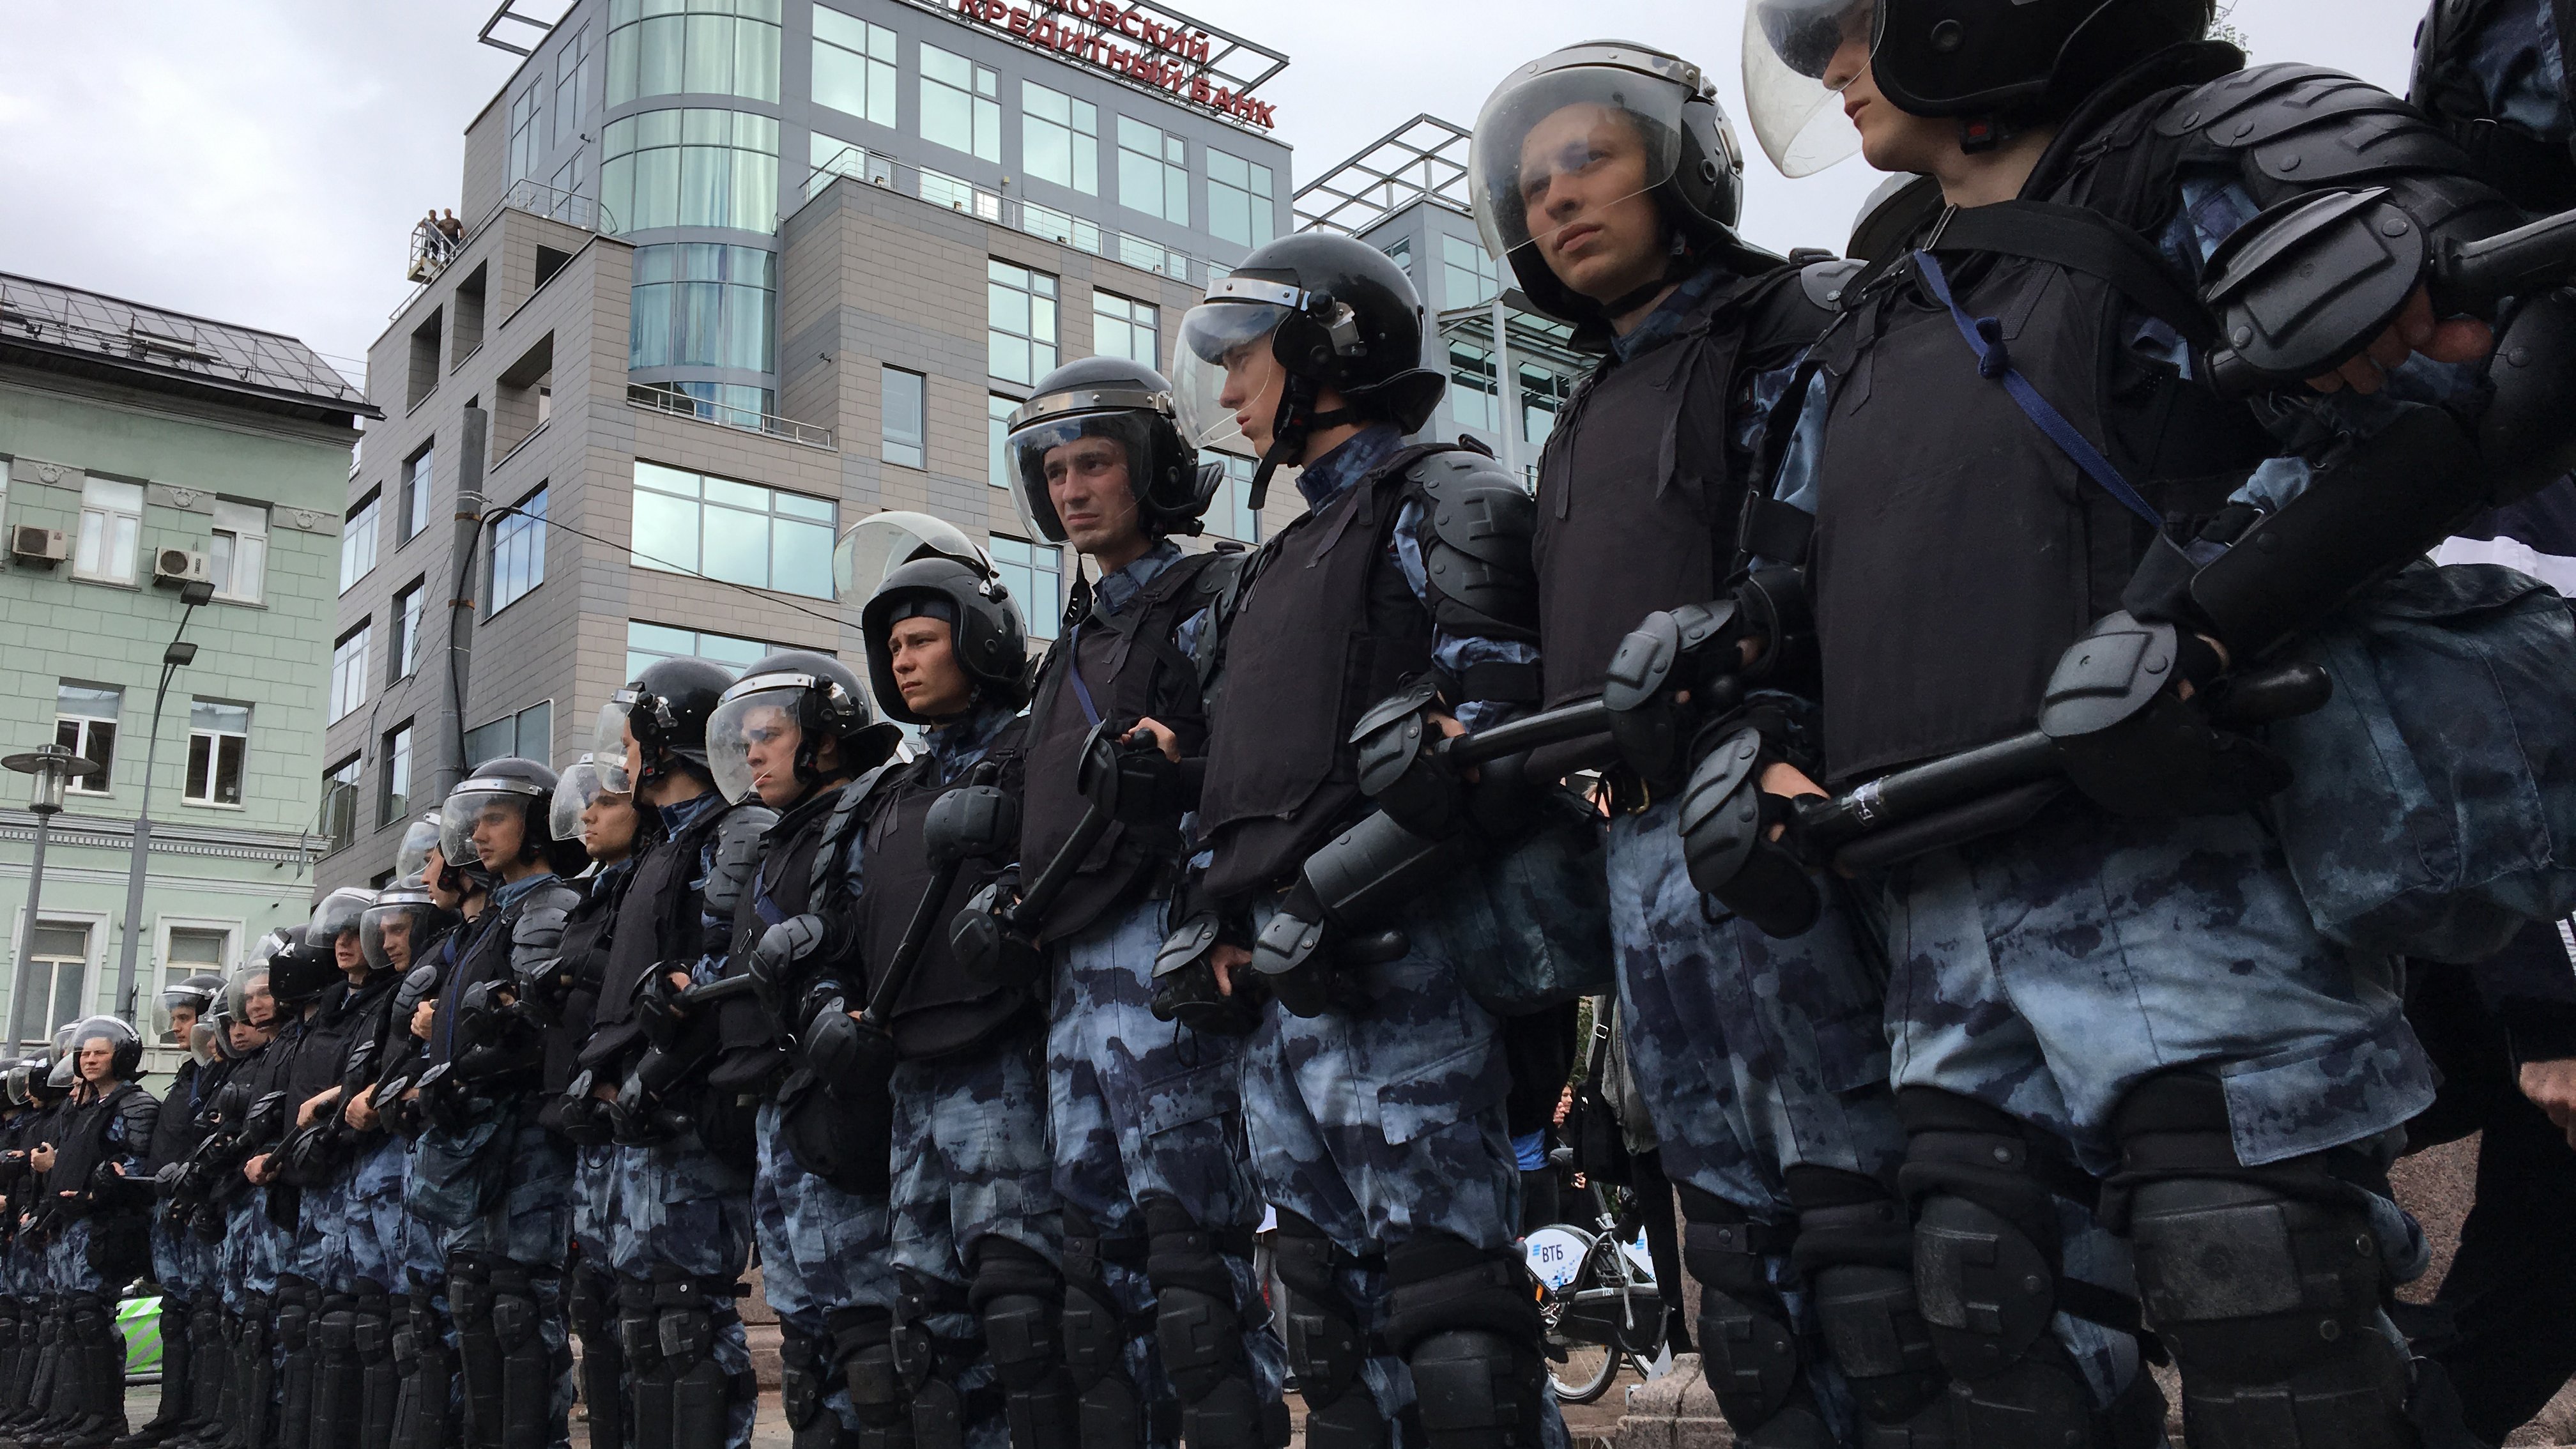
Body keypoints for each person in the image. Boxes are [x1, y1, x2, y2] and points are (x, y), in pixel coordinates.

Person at [1729, 0, 2564, 1440]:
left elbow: (2491, 378)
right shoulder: (1879, 307)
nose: (1825, 65)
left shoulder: (2220, 155)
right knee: (1986, 1313)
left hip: (2196, 891)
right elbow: (1798, 583)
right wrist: (1755, 733)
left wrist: (2207, 619)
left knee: (2260, 1301)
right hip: (1944, 907)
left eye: (1850, 20)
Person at [1464, 40, 1921, 1446]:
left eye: (1588, 160)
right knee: (1736, 1261)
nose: (1556, 200)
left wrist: (1778, 705)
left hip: (1783, 813)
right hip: (1638, 854)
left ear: (1682, 168)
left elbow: (1858, 549)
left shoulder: (1804, 318)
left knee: (1872, 1240)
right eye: (1532, 184)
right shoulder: (1579, 416)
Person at [1160, 230, 1568, 1449]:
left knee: (1453, 1326)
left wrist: (1323, 899)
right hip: (1281, 1000)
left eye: (1245, 360)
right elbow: (1228, 787)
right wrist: (1216, 924)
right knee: (1325, 1330)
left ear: (1329, 344)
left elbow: (1492, 740)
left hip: (1411, 975)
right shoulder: (1257, 570)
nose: (1227, 392)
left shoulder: (1451, 495)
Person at [979, 358, 1285, 1449]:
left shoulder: (1216, 594)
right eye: (1054, 471)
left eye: (1095, 463)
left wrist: (1191, 783)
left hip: (1169, 958)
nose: (1071, 490)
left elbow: (1261, 773)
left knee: (1190, 1265)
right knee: (1097, 1284)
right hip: (1072, 985)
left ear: (1153, 471)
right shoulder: (1064, 646)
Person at [831, 540, 1054, 1449]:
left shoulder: (1036, 751)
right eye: (893, 649)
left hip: (1007, 1065)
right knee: (926, 1330)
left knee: (1022, 1316)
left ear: (983, 640)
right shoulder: (891, 796)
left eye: (922, 639)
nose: (903, 661)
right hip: (910, 1081)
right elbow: (846, 931)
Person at [695, 647, 903, 1449]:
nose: (752, 752)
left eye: (770, 734)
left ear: (823, 736)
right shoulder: (778, 842)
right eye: (744, 737)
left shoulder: (864, 817)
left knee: (869, 1343)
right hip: (779, 1110)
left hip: (840, 1105)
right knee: (809, 1347)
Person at [567, 659, 771, 1449]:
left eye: (630, 743)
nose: (621, 761)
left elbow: (725, 971)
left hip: (686, 1115)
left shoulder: (733, 832)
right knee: (644, 1325)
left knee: (684, 1323)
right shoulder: (664, 847)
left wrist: (653, 1074)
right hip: (640, 1121)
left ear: (665, 743)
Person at [415, 759, 590, 1449]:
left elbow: (538, 1026)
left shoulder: (548, 907)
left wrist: (468, 1071)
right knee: (477, 1303)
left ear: (538, 822)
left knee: (520, 1308)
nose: (479, 834)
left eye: (496, 818)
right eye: (474, 820)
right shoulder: (495, 917)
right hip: (477, 1138)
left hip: (523, 1140)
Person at [540, 755, 643, 1449]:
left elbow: (651, 976)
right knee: (595, 1305)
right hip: (587, 1121)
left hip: (636, 1109)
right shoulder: (596, 891)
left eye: (604, 803)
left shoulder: (658, 871)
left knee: (665, 1319)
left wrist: (579, 968)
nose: (587, 816)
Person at [19, 1016, 157, 1449]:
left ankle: (106, 1418)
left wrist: (100, 1187)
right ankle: (78, 1415)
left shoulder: (134, 1104)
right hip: (69, 1226)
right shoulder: (83, 1109)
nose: (91, 1059)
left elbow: (134, 1166)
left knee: (91, 1318)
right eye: (86, 1053)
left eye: (100, 1052)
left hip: (102, 1227)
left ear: (122, 1055)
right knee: (70, 1321)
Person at [116, 974, 224, 1449]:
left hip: (198, 1208)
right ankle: (171, 1414)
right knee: (175, 1315)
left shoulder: (218, 1073)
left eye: (186, 1018)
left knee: (204, 1315)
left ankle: (202, 1416)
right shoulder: (187, 1075)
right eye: (176, 1019)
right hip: (169, 1207)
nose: (178, 1028)